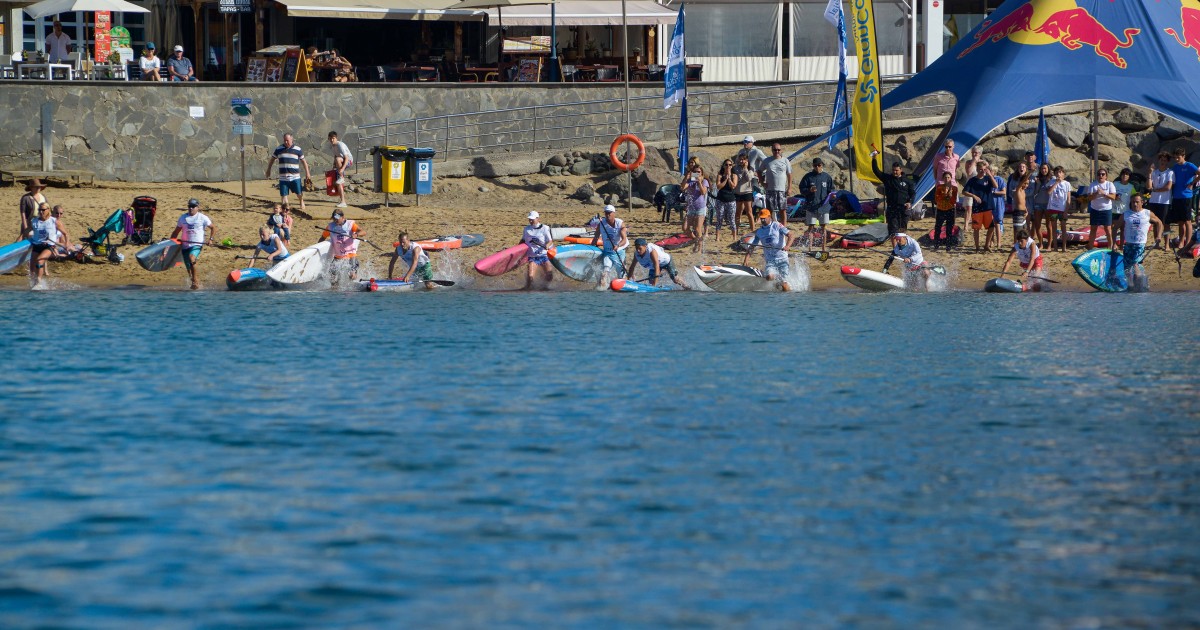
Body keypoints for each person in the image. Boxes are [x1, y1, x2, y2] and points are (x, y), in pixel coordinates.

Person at [169, 198, 216, 290]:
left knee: (192, 258)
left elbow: (213, 228)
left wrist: (211, 239)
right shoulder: (183, 218)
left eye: (193, 206)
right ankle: (195, 284)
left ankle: (195, 281)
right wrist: (170, 243)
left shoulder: (202, 217)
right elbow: (176, 232)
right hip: (185, 245)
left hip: (196, 245)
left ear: (198, 207)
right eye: (189, 206)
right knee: (189, 268)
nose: (191, 208)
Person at [743, 208, 794, 291]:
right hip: (770, 261)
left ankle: (787, 298)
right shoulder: (759, 232)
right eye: (761, 218)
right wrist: (746, 259)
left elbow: (791, 235)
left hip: (782, 259)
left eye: (764, 218)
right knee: (769, 277)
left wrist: (787, 246)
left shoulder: (777, 225)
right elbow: (752, 246)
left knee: (784, 285)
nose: (762, 220)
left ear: (769, 217)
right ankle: (777, 280)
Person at [1122, 194, 1163, 288]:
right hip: (1128, 244)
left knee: (1135, 264)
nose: (1135, 204)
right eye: (1133, 202)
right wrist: (1113, 244)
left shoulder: (1147, 213)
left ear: (1142, 202)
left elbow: (1159, 223)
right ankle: (1131, 286)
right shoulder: (1126, 214)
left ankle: (1139, 288)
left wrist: (1158, 235)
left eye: (1137, 202)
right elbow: (1115, 227)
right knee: (1127, 268)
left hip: (1140, 245)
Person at [870, 152, 915, 236]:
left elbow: (912, 193)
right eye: (893, 170)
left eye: (897, 170)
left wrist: (910, 202)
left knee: (902, 231)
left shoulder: (908, 181)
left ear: (901, 170)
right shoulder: (887, 179)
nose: (894, 172)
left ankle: (901, 247)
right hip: (892, 208)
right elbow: (876, 171)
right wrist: (874, 158)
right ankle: (895, 248)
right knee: (893, 232)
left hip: (903, 208)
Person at [265, 133, 312, 212]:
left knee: (299, 193)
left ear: (292, 140)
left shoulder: (298, 149)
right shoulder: (279, 149)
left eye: (287, 140)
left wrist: (308, 173)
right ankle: (286, 210)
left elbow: (304, 161)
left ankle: (301, 201)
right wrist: (268, 170)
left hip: (295, 176)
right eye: (284, 140)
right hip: (283, 177)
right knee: (284, 195)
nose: (286, 142)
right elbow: (272, 159)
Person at [962, 160, 998, 252]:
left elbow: (996, 186)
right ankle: (977, 247)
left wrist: (990, 175)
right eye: (980, 169)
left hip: (987, 206)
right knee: (976, 228)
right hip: (977, 207)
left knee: (991, 227)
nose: (982, 171)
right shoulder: (972, 180)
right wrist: (973, 196)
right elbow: (964, 192)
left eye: (983, 169)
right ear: (977, 169)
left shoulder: (987, 179)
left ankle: (986, 245)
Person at [319, 209, 364, 283]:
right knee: (332, 277)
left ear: (343, 217)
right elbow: (323, 237)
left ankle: (355, 283)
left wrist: (356, 234)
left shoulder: (350, 224)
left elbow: (363, 231)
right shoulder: (330, 226)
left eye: (337, 219)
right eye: (334, 219)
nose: (335, 221)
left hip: (351, 255)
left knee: (352, 276)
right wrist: (318, 248)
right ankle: (334, 290)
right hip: (338, 256)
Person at [799, 158, 834, 252]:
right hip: (811, 206)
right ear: (813, 166)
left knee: (824, 227)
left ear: (822, 165)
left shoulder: (827, 177)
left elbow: (831, 190)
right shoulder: (808, 177)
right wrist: (809, 190)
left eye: (819, 165)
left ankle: (823, 248)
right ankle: (810, 248)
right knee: (811, 227)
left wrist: (833, 196)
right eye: (815, 165)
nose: (817, 167)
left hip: (824, 206)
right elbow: (802, 190)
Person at [1169, 147, 1199, 254]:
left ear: (1183, 156)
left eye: (1178, 157)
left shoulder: (1189, 165)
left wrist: (1192, 183)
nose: (1176, 159)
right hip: (1176, 196)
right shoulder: (1175, 167)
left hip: (1186, 196)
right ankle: (1181, 241)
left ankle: (1188, 242)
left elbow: (1199, 173)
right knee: (1180, 221)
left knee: (1187, 221)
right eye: (1175, 158)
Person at [590, 204, 629, 285]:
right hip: (607, 252)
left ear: (614, 213)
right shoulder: (601, 224)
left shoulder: (620, 223)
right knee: (605, 271)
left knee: (621, 274)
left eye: (609, 213)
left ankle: (625, 284)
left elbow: (624, 240)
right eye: (606, 213)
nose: (607, 215)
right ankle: (602, 287)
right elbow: (596, 236)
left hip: (619, 251)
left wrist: (618, 245)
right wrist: (592, 246)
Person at [26, 203, 63, 287]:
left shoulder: (54, 221)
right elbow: (26, 231)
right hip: (37, 245)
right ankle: (34, 284)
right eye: (39, 210)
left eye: (43, 210)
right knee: (31, 268)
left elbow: (65, 233)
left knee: (39, 261)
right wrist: (22, 240)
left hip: (49, 246)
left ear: (48, 210)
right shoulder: (34, 221)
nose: (41, 212)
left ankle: (39, 281)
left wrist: (67, 244)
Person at [758, 143, 793, 225]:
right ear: (772, 150)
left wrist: (789, 187)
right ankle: (770, 226)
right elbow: (759, 171)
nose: (777, 151)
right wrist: (762, 182)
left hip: (781, 190)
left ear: (781, 150)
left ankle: (783, 228)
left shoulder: (785, 160)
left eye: (778, 150)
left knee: (782, 210)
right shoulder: (767, 161)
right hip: (770, 189)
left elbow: (789, 174)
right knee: (769, 210)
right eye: (775, 150)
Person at [1086, 168, 1118, 250]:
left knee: (1108, 229)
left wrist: (1104, 193)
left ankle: (1110, 247)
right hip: (1095, 209)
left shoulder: (1109, 184)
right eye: (1099, 174)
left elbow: (1113, 197)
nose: (1101, 176)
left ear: (1106, 176)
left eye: (1103, 174)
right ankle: (1090, 247)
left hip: (1106, 209)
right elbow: (1089, 198)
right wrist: (1096, 193)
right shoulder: (1093, 185)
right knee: (1093, 229)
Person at [1148, 151, 1174, 249]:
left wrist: (1155, 189)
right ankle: (1157, 243)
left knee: (1165, 223)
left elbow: (1168, 187)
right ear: (1159, 160)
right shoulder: (1154, 172)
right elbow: (1148, 186)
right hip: (1154, 201)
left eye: (1165, 160)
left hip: (1165, 201)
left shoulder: (1170, 172)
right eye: (1161, 160)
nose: (1163, 162)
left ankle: (1166, 244)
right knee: (1155, 222)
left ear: (1167, 161)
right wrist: (1149, 174)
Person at [680, 164, 709, 252]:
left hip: (700, 208)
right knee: (685, 228)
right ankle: (696, 240)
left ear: (702, 174)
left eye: (698, 172)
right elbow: (682, 188)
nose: (697, 173)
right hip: (691, 207)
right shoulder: (690, 181)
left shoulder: (704, 181)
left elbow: (703, 192)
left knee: (697, 228)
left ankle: (699, 248)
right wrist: (686, 177)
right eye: (695, 172)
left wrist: (699, 182)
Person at [522, 211, 554, 290]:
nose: (530, 221)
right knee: (530, 276)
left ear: (538, 219)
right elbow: (522, 241)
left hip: (544, 255)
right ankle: (528, 289)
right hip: (533, 256)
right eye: (529, 219)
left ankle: (543, 287)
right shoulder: (526, 229)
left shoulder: (545, 228)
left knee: (549, 276)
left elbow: (550, 241)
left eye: (532, 219)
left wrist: (547, 245)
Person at [1044, 166, 1072, 252]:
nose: (1058, 174)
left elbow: (1068, 198)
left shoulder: (1067, 184)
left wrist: (1066, 210)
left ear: (1063, 173)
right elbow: (1048, 192)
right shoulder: (1051, 182)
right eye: (1056, 173)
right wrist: (1056, 183)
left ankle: (1064, 246)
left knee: (1063, 227)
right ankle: (1055, 246)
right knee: (1054, 227)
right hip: (1053, 208)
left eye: (1060, 172)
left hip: (1062, 208)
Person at [932, 170, 959, 250]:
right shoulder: (939, 187)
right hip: (941, 209)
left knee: (949, 228)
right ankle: (936, 243)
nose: (947, 179)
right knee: (938, 227)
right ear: (943, 178)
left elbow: (954, 201)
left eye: (948, 177)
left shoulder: (954, 188)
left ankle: (948, 245)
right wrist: (945, 195)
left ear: (951, 178)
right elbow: (937, 199)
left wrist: (950, 196)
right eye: (945, 177)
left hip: (950, 209)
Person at [712, 159, 738, 241]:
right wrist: (726, 179)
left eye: (730, 165)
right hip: (720, 199)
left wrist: (729, 179)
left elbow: (733, 186)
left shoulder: (734, 175)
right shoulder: (720, 175)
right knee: (719, 218)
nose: (728, 166)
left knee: (731, 219)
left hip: (731, 200)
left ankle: (734, 237)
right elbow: (718, 186)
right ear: (723, 166)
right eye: (726, 164)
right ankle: (717, 237)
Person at [731, 153, 757, 231]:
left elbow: (749, 178)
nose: (741, 161)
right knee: (738, 212)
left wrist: (745, 169)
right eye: (740, 159)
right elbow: (737, 178)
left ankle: (753, 230)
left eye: (743, 159)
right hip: (738, 192)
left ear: (747, 160)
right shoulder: (735, 168)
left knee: (749, 212)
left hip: (747, 192)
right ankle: (736, 230)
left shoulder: (751, 169)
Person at [328, 131, 354, 209]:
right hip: (340, 162)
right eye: (330, 139)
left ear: (336, 138)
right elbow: (335, 156)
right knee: (338, 183)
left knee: (338, 160)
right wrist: (333, 168)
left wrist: (342, 169)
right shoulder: (332, 146)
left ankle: (341, 177)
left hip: (348, 161)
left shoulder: (340, 145)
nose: (332, 140)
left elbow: (346, 158)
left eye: (333, 138)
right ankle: (343, 201)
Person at [1008, 163, 1032, 244]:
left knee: (1025, 230)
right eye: (1025, 183)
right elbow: (1023, 181)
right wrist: (1030, 173)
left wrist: (1026, 211)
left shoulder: (1024, 192)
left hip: (1023, 212)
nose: (1026, 185)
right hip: (1017, 213)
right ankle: (1016, 245)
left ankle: (1024, 244)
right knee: (1018, 231)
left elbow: (1023, 203)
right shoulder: (1018, 190)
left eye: (1027, 184)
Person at [1032, 163, 1054, 249]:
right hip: (1038, 203)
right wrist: (1038, 184)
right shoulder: (1038, 179)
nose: (1043, 170)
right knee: (1037, 224)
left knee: (1048, 225)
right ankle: (1041, 243)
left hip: (1048, 204)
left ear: (1048, 169)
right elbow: (1035, 192)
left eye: (1045, 168)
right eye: (1042, 169)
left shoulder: (1052, 179)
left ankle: (1049, 244)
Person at [1111, 168, 1135, 244]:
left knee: (1123, 229)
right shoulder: (1115, 184)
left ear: (1129, 176)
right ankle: (1113, 244)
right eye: (1123, 174)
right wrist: (1114, 197)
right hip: (1114, 210)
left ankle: (1121, 245)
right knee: (1114, 228)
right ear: (1121, 175)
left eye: (1127, 174)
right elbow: (1110, 193)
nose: (1125, 176)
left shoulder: (1131, 187)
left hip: (1125, 210)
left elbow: (1134, 196)